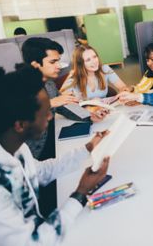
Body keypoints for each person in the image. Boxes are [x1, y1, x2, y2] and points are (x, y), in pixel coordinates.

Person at [0, 63, 110, 246]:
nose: (50, 117)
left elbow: (41, 172)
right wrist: (80, 194)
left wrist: (88, 148)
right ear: (20, 125)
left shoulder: (16, 146)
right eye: (45, 113)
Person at [21, 37, 108, 216]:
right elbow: (20, 111)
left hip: (50, 142)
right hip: (32, 155)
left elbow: (64, 106)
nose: (59, 66)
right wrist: (51, 102)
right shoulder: (21, 86)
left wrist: (89, 116)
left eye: (58, 61)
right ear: (35, 64)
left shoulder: (50, 83)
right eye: (53, 62)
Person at [60, 44, 130, 99]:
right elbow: (62, 98)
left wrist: (125, 90)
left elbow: (122, 87)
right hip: (86, 113)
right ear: (80, 64)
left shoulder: (104, 69)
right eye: (88, 60)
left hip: (104, 110)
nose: (94, 62)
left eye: (94, 57)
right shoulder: (74, 76)